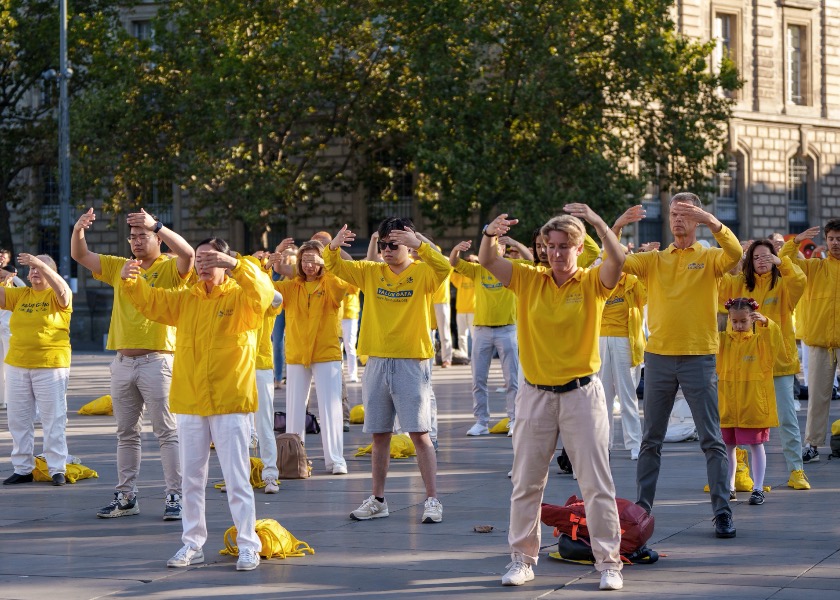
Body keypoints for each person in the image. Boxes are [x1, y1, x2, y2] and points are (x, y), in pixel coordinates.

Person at [480, 206, 627, 591]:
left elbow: (618, 259)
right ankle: (522, 559)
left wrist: (598, 222)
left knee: (597, 484)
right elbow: (488, 260)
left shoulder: (592, 282)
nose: (556, 253)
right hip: (535, 394)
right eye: (550, 246)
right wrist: (490, 233)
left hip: (581, 393)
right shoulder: (529, 280)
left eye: (564, 246)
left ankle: (609, 563)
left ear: (579, 247)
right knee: (527, 482)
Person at [121, 238, 274, 571]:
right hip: (190, 398)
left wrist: (236, 264)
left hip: (230, 398)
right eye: (199, 259)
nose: (202, 265)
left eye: (210, 259)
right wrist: (131, 280)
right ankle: (192, 543)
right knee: (191, 477)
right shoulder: (186, 298)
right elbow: (153, 303)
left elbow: (265, 294)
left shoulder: (241, 296)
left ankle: (248, 543)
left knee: (237, 477)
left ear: (225, 262)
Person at [619, 193, 742, 539]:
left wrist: (710, 220)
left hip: (699, 356)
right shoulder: (655, 260)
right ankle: (642, 510)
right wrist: (614, 228)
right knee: (650, 440)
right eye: (674, 213)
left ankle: (722, 511)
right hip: (658, 357)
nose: (677, 219)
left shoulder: (709, 257)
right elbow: (615, 261)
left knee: (711, 439)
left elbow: (736, 255)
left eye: (685, 214)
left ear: (698, 218)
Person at [325, 217, 450, 524]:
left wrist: (419, 243)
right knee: (379, 435)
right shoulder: (371, 272)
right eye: (383, 245)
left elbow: (445, 268)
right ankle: (378, 499)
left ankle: (432, 499)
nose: (387, 250)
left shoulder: (423, 272)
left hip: (411, 361)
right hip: (378, 361)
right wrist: (333, 247)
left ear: (408, 244)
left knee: (420, 434)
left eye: (394, 244)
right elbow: (336, 266)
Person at [72, 207, 191, 520]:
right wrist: (78, 230)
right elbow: (81, 255)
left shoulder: (168, 267)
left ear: (158, 240)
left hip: (158, 361)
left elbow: (189, 255)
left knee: (167, 432)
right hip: (123, 362)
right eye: (134, 237)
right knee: (126, 433)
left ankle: (175, 495)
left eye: (144, 236)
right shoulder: (120, 266)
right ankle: (126, 496)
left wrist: (158, 225)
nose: (137, 241)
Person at [718, 240, 809, 490]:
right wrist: (735, 257)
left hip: (778, 362)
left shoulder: (784, 285)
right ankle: (740, 475)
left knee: (787, 418)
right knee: (739, 417)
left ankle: (796, 470)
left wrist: (783, 262)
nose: (761, 260)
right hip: (743, 367)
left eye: (766, 256)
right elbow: (718, 284)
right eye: (755, 256)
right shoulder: (738, 284)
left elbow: (800, 281)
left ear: (775, 258)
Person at [272, 240, 349, 475]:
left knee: (331, 408)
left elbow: (344, 280)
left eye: (314, 260)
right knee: (294, 409)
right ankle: (294, 459)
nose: (309, 265)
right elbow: (265, 290)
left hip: (326, 353)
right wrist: (273, 260)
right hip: (296, 354)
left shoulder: (331, 283)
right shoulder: (290, 287)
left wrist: (328, 257)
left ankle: (335, 460)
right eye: (305, 260)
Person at [1, 254, 72, 486]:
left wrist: (41, 263)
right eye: (31, 269)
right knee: (18, 419)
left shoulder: (58, 295)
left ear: (51, 272)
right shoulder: (21, 295)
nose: (34, 272)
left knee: (53, 419)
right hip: (17, 365)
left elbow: (62, 291)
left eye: (39, 269)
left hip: (50, 365)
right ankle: (23, 468)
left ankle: (57, 468)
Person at [780, 221, 840, 463]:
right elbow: (786, 260)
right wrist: (794, 242)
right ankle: (812, 444)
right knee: (817, 396)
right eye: (833, 238)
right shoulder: (814, 267)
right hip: (818, 340)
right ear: (826, 241)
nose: (836, 243)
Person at [450, 239, 519, 437]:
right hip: (482, 330)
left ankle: (514, 420)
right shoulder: (478, 269)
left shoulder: (512, 267)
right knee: (478, 379)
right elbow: (453, 263)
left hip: (507, 329)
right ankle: (481, 421)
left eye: (497, 246)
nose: (492, 249)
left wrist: (514, 242)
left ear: (503, 249)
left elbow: (533, 260)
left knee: (512, 379)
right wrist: (456, 248)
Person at [717, 298, 782, 505]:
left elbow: (776, 341)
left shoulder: (760, 341)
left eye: (743, 321)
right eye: (734, 321)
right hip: (727, 402)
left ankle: (758, 487)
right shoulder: (723, 340)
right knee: (728, 446)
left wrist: (766, 323)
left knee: (756, 445)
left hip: (753, 403)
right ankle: (729, 486)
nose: (738, 326)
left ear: (752, 319)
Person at [244, 252, 284, 493]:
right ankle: (240, 474)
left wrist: (263, 275)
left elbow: (277, 298)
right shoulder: (232, 297)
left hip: (260, 364)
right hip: (234, 367)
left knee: (264, 422)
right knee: (237, 426)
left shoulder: (267, 299)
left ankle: (270, 474)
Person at [1, 249, 26, 411]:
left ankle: (9, 400)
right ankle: (2, 399)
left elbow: (24, 287)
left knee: (9, 364)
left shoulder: (14, 285)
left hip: (8, 328)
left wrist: (12, 276)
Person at [451, 255, 477, 357]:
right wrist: (457, 260)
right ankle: (464, 356)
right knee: (462, 336)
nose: (470, 262)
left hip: (474, 310)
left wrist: (477, 259)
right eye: (468, 261)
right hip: (461, 310)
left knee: (475, 336)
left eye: (472, 261)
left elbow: (486, 266)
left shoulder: (478, 276)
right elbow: (449, 270)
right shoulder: (460, 278)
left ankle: (476, 356)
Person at [341, 284, 362, 382]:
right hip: (336, 315)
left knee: (349, 345)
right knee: (337, 346)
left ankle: (353, 374)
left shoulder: (351, 279)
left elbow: (356, 286)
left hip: (350, 316)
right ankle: (339, 374)